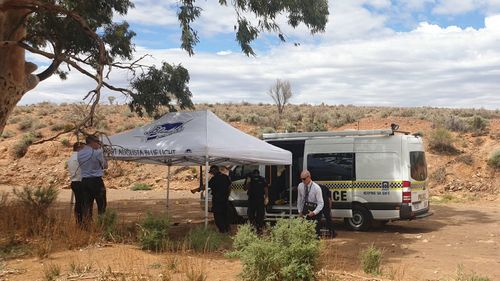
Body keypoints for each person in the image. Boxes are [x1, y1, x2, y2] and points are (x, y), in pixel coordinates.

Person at [78, 135, 108, 224]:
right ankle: (102, 224)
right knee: (101, 204)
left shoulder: (80, 153)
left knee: (87, 205)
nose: (98, 144)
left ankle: (87, 224)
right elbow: (105, 165)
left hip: (84, 181)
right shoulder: (97, 152)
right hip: (96, 181)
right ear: (92, 142)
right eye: (97, 142)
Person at [297, 170, 324, 237]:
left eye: (304, 179)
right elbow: (299, 200)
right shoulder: (300, 186)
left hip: (315, 211)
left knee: (315, 233)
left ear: (309, 177)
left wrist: (314, 212)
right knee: (305, 232)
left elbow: (321, 203)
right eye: (301, 179)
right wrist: (300, 211)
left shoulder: (316, 188)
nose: (303, 181)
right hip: (305, 210)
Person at [208, 165, 232, 233]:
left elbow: (207, 185)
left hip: (217, 200)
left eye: (212, 172)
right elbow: (229, 186)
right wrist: (227, 195)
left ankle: (222, 230)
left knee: (218, 215)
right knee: (225, 214)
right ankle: (227, 229)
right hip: (224, 199)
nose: (212, 173)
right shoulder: (225, 177)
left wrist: (197, 189)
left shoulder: (214, 179)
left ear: (215, 170)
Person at [244, 169, 268, 233]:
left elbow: (265, 188)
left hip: (260, 199)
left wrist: (266, 197)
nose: (256, 175)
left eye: (257, 174)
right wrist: (248, 182)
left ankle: (259, 227)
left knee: (260, 214)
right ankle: (252, 227)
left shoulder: (262, 179)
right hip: (252, 199)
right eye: (255, 174)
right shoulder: (249, 179)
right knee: (250, 214)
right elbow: (245, 188)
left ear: (259, 174)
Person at [67, 142, 85, 226]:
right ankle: (81, 222)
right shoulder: (79, 157)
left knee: (78, 203)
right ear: (79, 148)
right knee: (82, 203)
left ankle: (79, 221)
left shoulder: (71, 158)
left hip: (74, 182)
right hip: (80, 181)